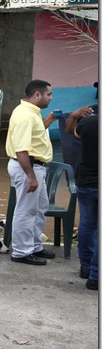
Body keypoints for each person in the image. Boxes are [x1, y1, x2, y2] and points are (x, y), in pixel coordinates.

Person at [5, 80, 57, 266]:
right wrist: (30, 176)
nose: (51, 98)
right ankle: (21, 251)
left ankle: (34, 245)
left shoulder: (31, 113)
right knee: (26, 210)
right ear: (37, 95)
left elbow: (34, 136)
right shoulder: (25, 116)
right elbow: (21, 149)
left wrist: (49, 120)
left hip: (35, 166)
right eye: (48, 94)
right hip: (28, 166)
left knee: (39, 207)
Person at [68, 111, 98, 290]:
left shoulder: (89, 123)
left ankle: (86, 266)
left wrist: (74, 116)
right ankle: (95, 276)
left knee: (87, 224)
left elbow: (74, 133)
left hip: (86, 181)